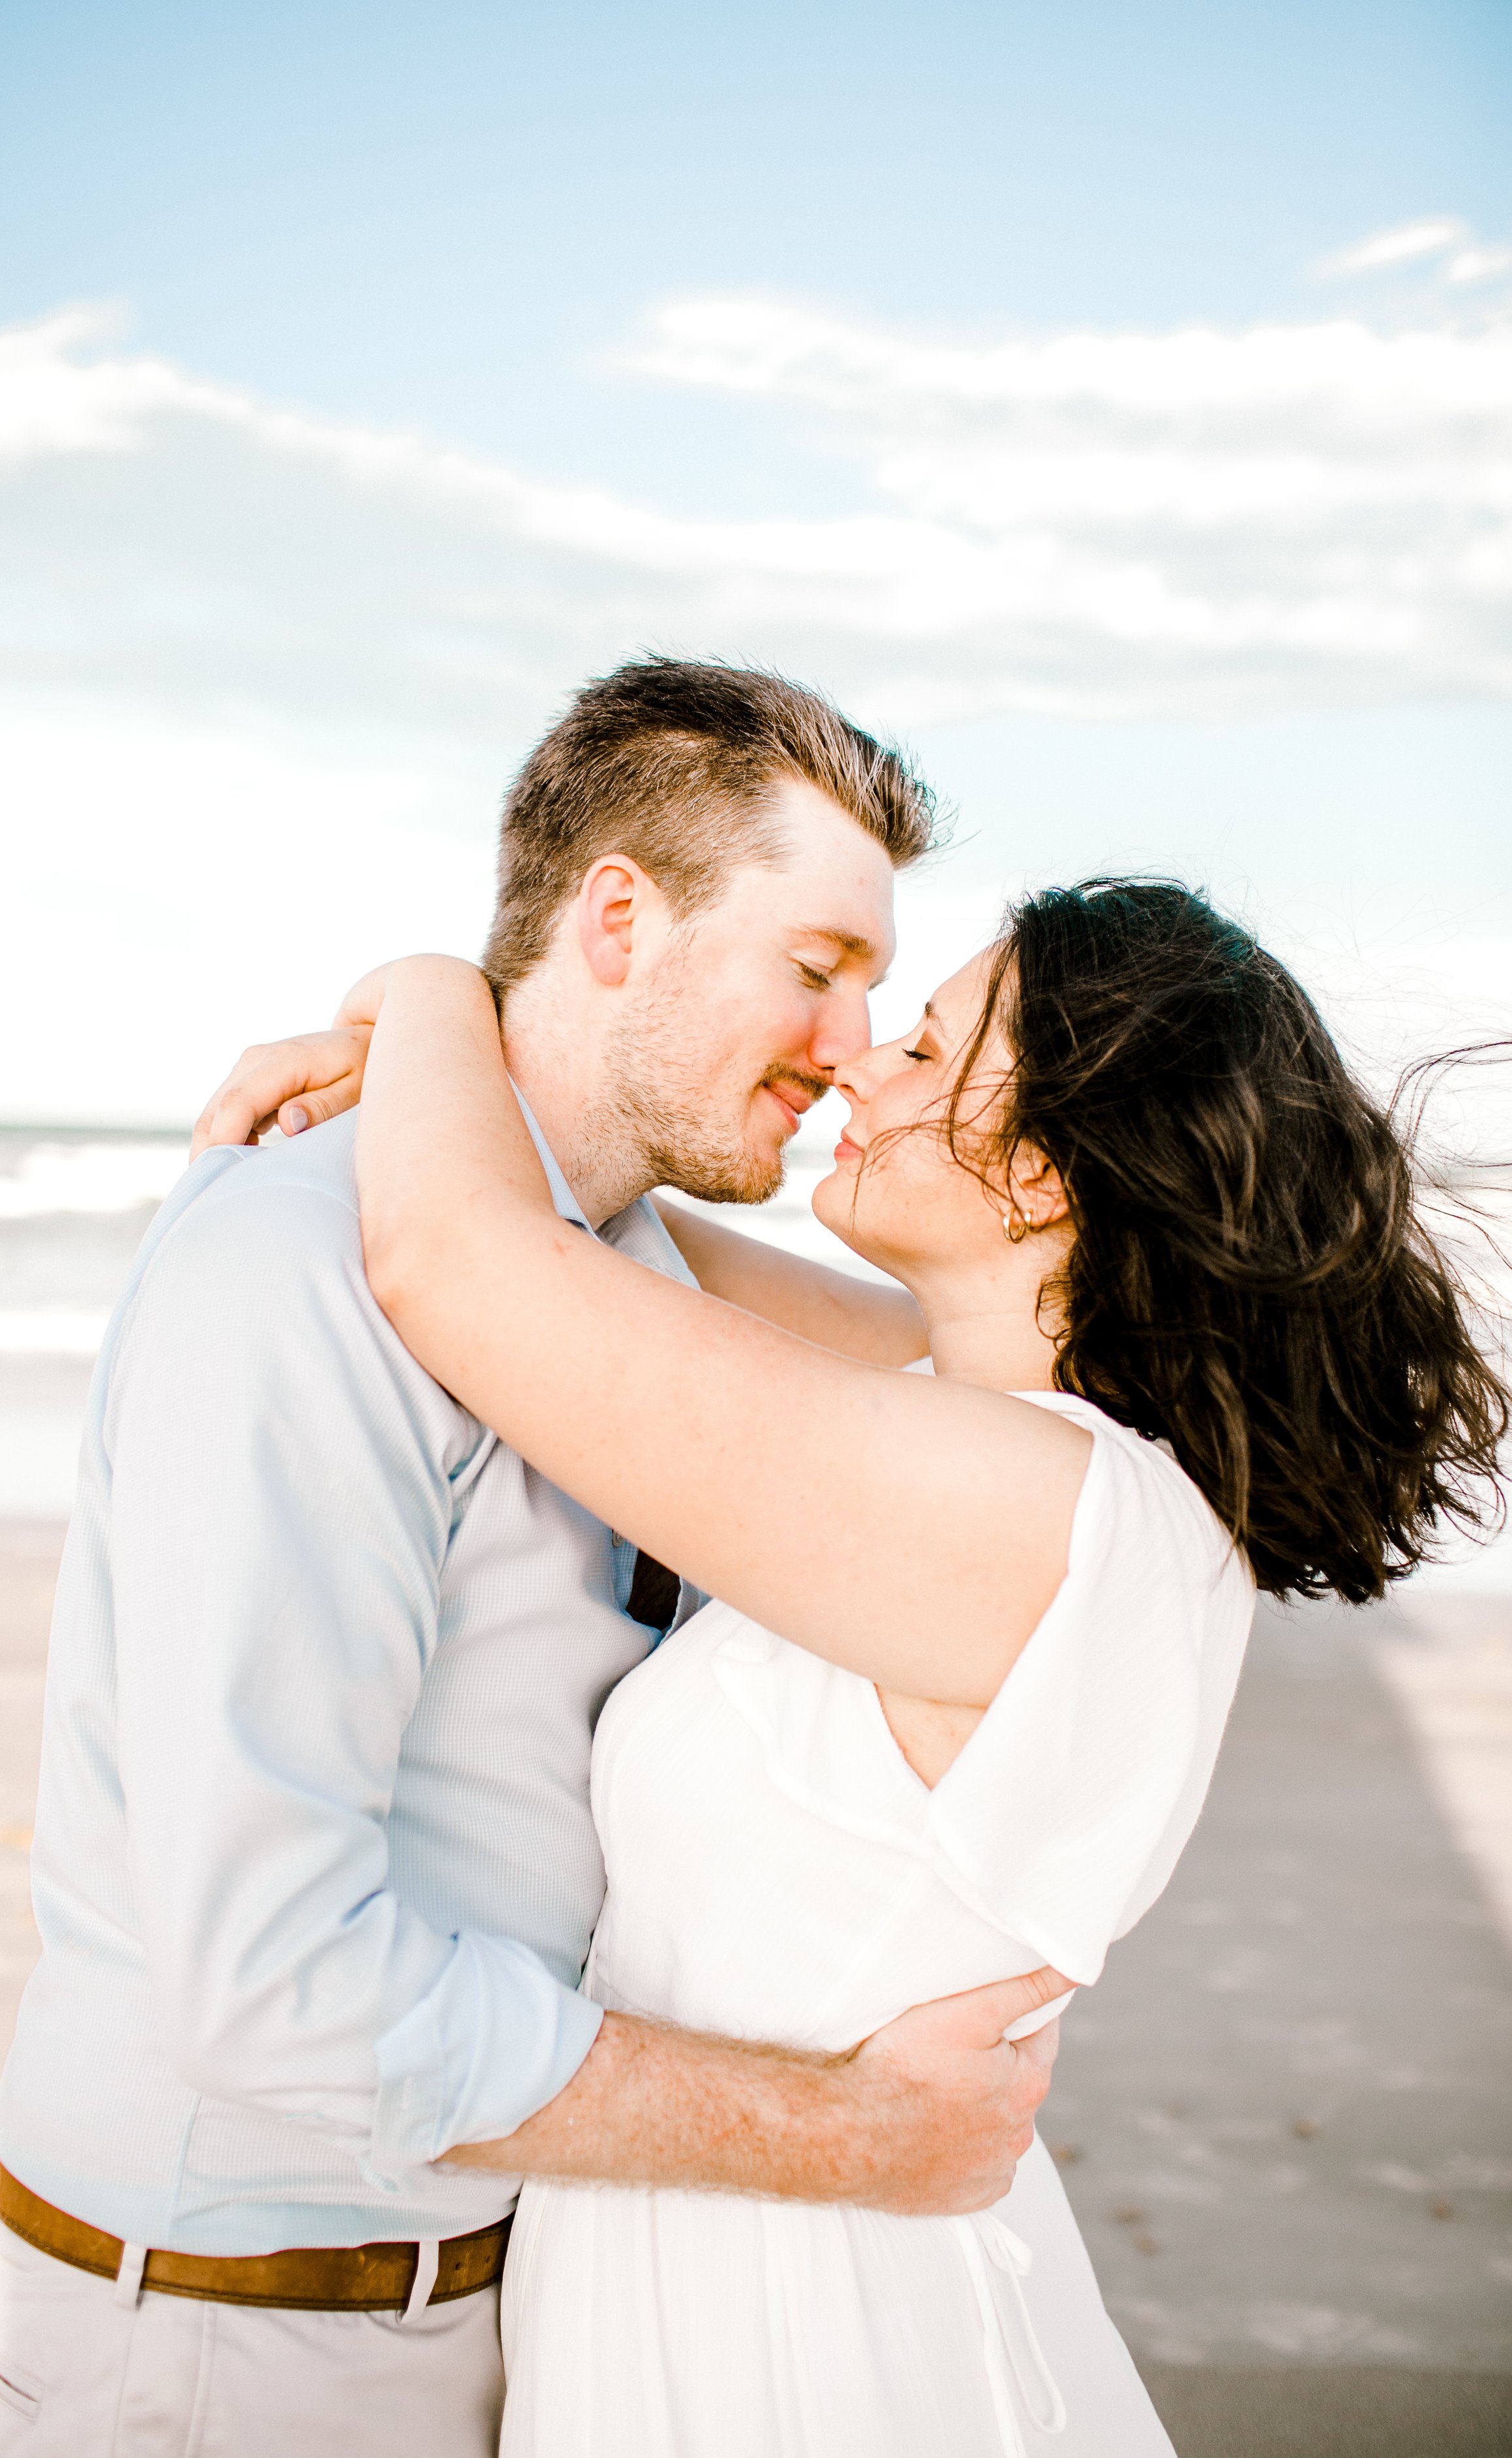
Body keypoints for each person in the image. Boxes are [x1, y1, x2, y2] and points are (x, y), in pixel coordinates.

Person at [0, 661, 1072, 2458]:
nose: (853, 1049)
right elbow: (273, 1974)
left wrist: (418, 997)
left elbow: (979, 1367)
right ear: (620, 917)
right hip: (218, 2345)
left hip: (471, 2301)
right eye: (819, 968)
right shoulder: (301, 1270)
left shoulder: (619, 1268)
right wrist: (849, 2130)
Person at [212, 882, 1507, 2455]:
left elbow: (463, 1263)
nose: (858, 1067)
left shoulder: (1031, 1507)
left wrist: (425, 991)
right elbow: (580, 1202)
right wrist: (453, 1073)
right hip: (739, 2259)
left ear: (1045, 1160)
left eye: (928, 1045)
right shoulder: (985, 1439)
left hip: (797, 2338)